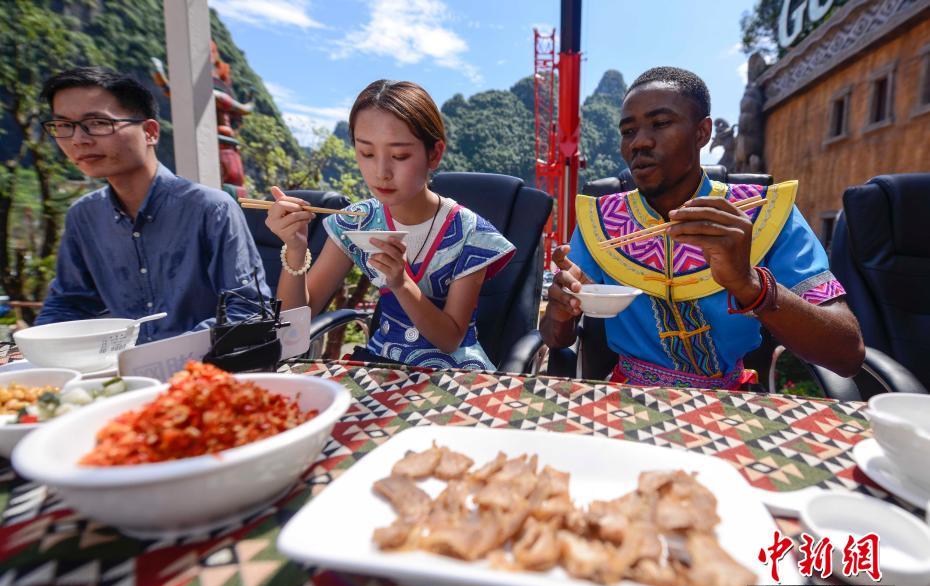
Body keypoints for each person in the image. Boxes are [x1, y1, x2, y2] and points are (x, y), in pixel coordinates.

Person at [541, 67, 864, 388]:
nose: (639, 142)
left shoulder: (764, 213)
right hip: (628, 396)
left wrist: (750, 284)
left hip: (732, 403)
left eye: (661, 123)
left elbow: (847, 354)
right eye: (628, 131)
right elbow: (556, 338)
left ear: (702, 132)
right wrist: (560, 311)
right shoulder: (601, 220)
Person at [266, 80, 515, 370]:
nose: (381, 172)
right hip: (381, 366)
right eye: (367, 153)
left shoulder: (471, 233)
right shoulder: (358, 221)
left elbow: (450, 339)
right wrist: (295, 249)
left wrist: (401, 282)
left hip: (454, 372)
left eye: (399, 156)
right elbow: (296, 324)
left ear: (434, 153)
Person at [34, 67, 270, 343]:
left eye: (97, 123)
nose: (78, 139)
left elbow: (249, 310)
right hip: (118, 371)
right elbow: (68, 304)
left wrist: (157, 356)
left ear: (149, 132)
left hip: (204, 371)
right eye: (64, 126)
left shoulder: (211, 208)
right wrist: (37, 351)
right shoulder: (83, 216)